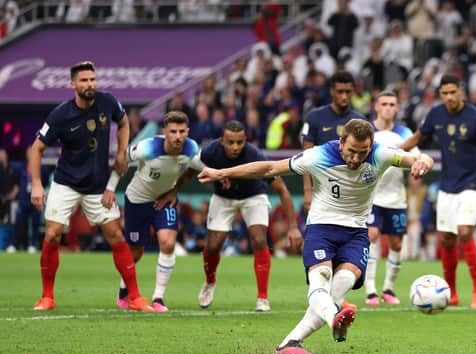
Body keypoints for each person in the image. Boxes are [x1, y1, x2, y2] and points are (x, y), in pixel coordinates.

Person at [198, 119, 434, 354]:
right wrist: (222, 172)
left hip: (356, 232)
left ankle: (289, 343)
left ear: (371, 146)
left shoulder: (380, 154)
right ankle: (334, 318)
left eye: (362, 153)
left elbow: (420, 159)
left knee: (342, 282)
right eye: (351, 151)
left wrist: (423, 164)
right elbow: (270, 168)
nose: (355, 158)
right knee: (320, 280)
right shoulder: (318, 156)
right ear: (341, 143)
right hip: (322, 228)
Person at [28, 61, 152, 311]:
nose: (89, 84)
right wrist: (37, 185)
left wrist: (121, 153)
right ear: (73, 84)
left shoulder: (108, 102)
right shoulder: (60, 115)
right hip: (66, 184)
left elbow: (124, 122)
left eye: (92, 80)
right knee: (52, 234)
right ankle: (47, 298)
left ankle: (136, 298)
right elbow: (36, 149)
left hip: (98, 186)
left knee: (116, 235)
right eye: (84, 80)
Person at [160, 121, 303, 312]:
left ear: (245, 141)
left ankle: (262, 298)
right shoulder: (210, 152)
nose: (235, 147)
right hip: (223, 198)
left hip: (254, 196)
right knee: (212, 246)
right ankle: (210, 281)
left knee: (259, 239)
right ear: (222, 140)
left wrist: (293, 227)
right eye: (230, 142)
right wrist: (174, 191)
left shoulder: (255, 156)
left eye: (240, 142)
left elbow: (283, 190)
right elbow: (189, 172)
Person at [401, 74, 476, 309]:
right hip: (447, 186)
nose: (449, 97)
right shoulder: (435, 115)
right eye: (445, 93)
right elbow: (417, 138)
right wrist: (388, 153)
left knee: (465, 231)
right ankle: (452, 292)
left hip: (471, 185)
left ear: (461, 92)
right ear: (440, 95)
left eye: (453, 92)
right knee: (447, 239)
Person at [111, 111, 202, 312]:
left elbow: (201, 167)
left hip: (164, 201)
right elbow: (121, 159)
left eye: (181, 131)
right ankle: (124, 289)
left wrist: (175, 190)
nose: (178, 136)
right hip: (137, 200)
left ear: (187, 131)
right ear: (165, 132)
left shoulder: (191, 148)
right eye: (173, 131)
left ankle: (158, 298)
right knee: (136, 252)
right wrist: (110, 189)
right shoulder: (147, 148)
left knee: (168, 243)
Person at [364, 90, 415, 306]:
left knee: (396, 243)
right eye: (383, 103)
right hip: (372, 195)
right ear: (376, 106)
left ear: (397, 108)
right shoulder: (367, 130)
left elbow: (416, 156)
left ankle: (388, 288)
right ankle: (371, 290)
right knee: (371, 236)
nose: (387, 107)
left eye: (391, 104)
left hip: (396, 196)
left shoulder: (404, 132)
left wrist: (418, 165)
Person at [300, 71, 366, 212]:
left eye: (348, 92)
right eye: (340, 91)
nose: (344, 96)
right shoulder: (314, 117)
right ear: (331, 91)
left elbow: (367, 158)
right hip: (320, 190)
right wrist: (307, 191)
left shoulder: (361, 121)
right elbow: (307, 157)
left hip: (351, 191)